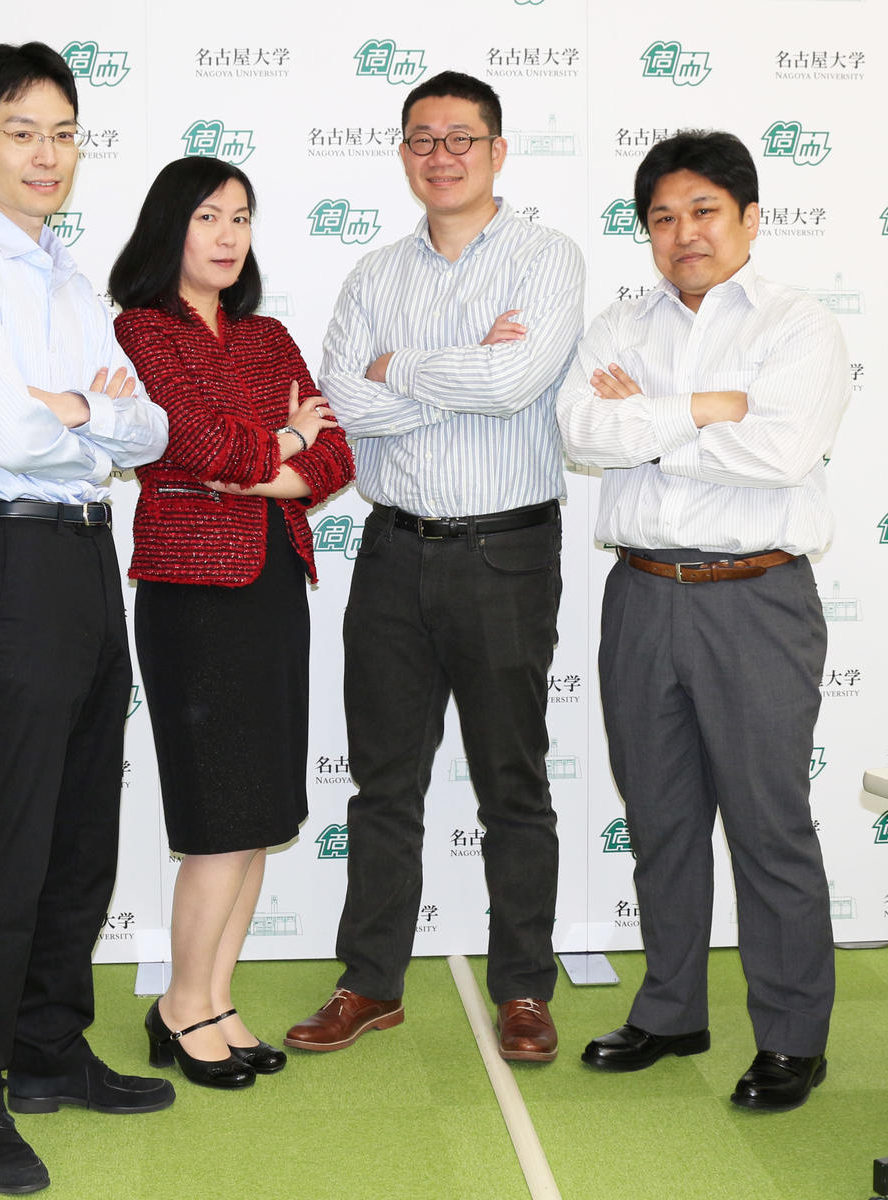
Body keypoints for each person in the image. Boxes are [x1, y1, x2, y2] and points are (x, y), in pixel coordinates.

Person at [0, 42, 172, 1194]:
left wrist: (84, 416)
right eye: (21, 131)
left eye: (62, 131)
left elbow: (148, 431)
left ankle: (50, 1048)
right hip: (13, 552)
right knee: (11, 836)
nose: (46, 153)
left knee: (79, 829)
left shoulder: (67, 278)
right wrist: (85, 419)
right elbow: (12, 440)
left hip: (85, 557)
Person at [284, 71, 584, 1061]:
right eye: (421, 138)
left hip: (505, 549)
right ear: (403, 152)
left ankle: (525, 991)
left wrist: (398, 369)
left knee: (511, 780)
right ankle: (369, 983)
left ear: (497, 152)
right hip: (392, 550)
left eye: (461, 137)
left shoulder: (547, 258)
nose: (441, 154)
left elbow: (513, 383)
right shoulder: (375, 275)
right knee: (382, 782)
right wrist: (452, 373)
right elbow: (340, 401)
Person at [557, 130, 849, 1111]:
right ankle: (670, 1008)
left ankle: (791, 1037)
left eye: (703, 211)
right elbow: (582, 433)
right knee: (661, 823)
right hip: (639, 593)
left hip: (755, 597)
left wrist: (655, 417)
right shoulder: (616, 323)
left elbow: (775, 452)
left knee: (768, 827)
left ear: (748, 218)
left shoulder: (796, 325)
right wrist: (707, 408)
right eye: (662, 217)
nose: (682, 233)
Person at [109, 157, 354, 1089]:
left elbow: (333, 458)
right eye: (207, 216)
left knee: (256, 816)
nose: (225, 235)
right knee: (215, 821)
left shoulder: (267, 336)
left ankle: (214, 996)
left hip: (270, 584)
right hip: (191, 595)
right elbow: (196, 443)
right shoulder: (143, 332)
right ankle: (179, 1006)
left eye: (240, 218)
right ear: (169, 226)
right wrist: (281, 442)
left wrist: (279, 453)